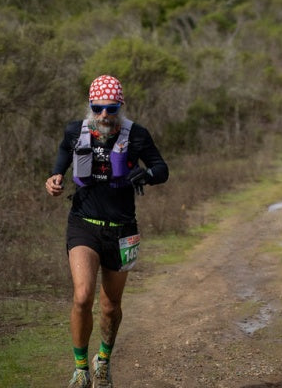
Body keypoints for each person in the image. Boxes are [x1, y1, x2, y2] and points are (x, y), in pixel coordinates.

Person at [46, 75, 169, 388]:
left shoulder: (137, 135)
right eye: (98, 108)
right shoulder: (75, 131)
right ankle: (80, 369)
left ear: (120, 106)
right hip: (83, 224)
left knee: (111, 306)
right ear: (90, 105)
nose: (104, 114)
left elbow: (162, 169)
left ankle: (103, 361)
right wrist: (55, 177)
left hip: (122, 229)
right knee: (82, 296)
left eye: (111, 108)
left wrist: (146, 174)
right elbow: (62, 155)